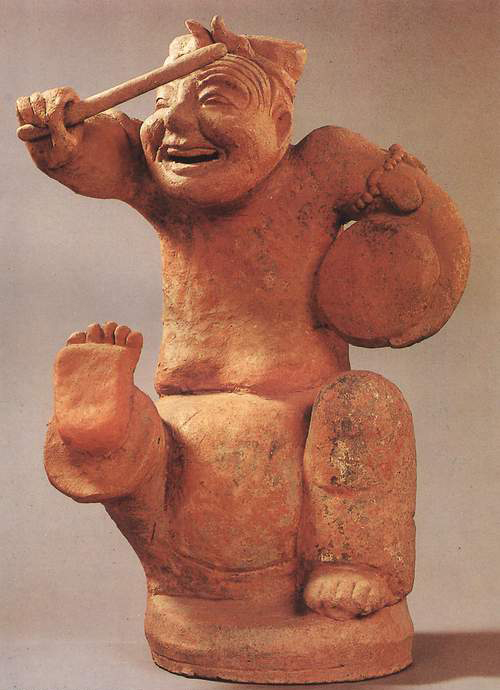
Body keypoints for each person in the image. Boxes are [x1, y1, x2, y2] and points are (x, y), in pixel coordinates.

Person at [17, 16, 469, 682]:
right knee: (124, 446)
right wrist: (60, 132)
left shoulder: (321, 168)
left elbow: (422, 224)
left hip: (306, 418)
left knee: (368, 405)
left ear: (280, 121)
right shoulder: (162, 179)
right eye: (163, 103)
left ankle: (356, 562)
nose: (178, 125)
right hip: (184, 422)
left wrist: (405, 203)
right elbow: (103, 147)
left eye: (216, 100)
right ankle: (106, 435)